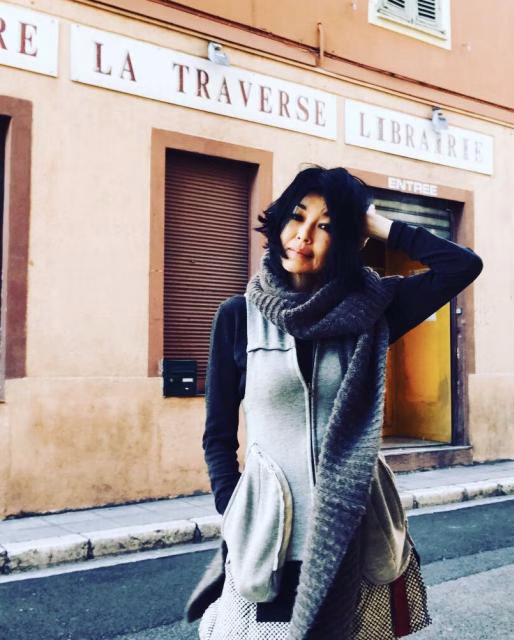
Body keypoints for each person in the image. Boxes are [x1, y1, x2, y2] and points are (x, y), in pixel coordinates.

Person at [186, 166, 483, 639]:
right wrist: (235, 507)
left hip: (354, 528)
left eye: (325, 226)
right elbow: (218, 433)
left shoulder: (372, 309)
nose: (303, 236)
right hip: (271, 533)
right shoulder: (238, 316)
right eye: (296, 217)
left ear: (347, 239)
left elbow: (461, 266)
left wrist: (373, 222)